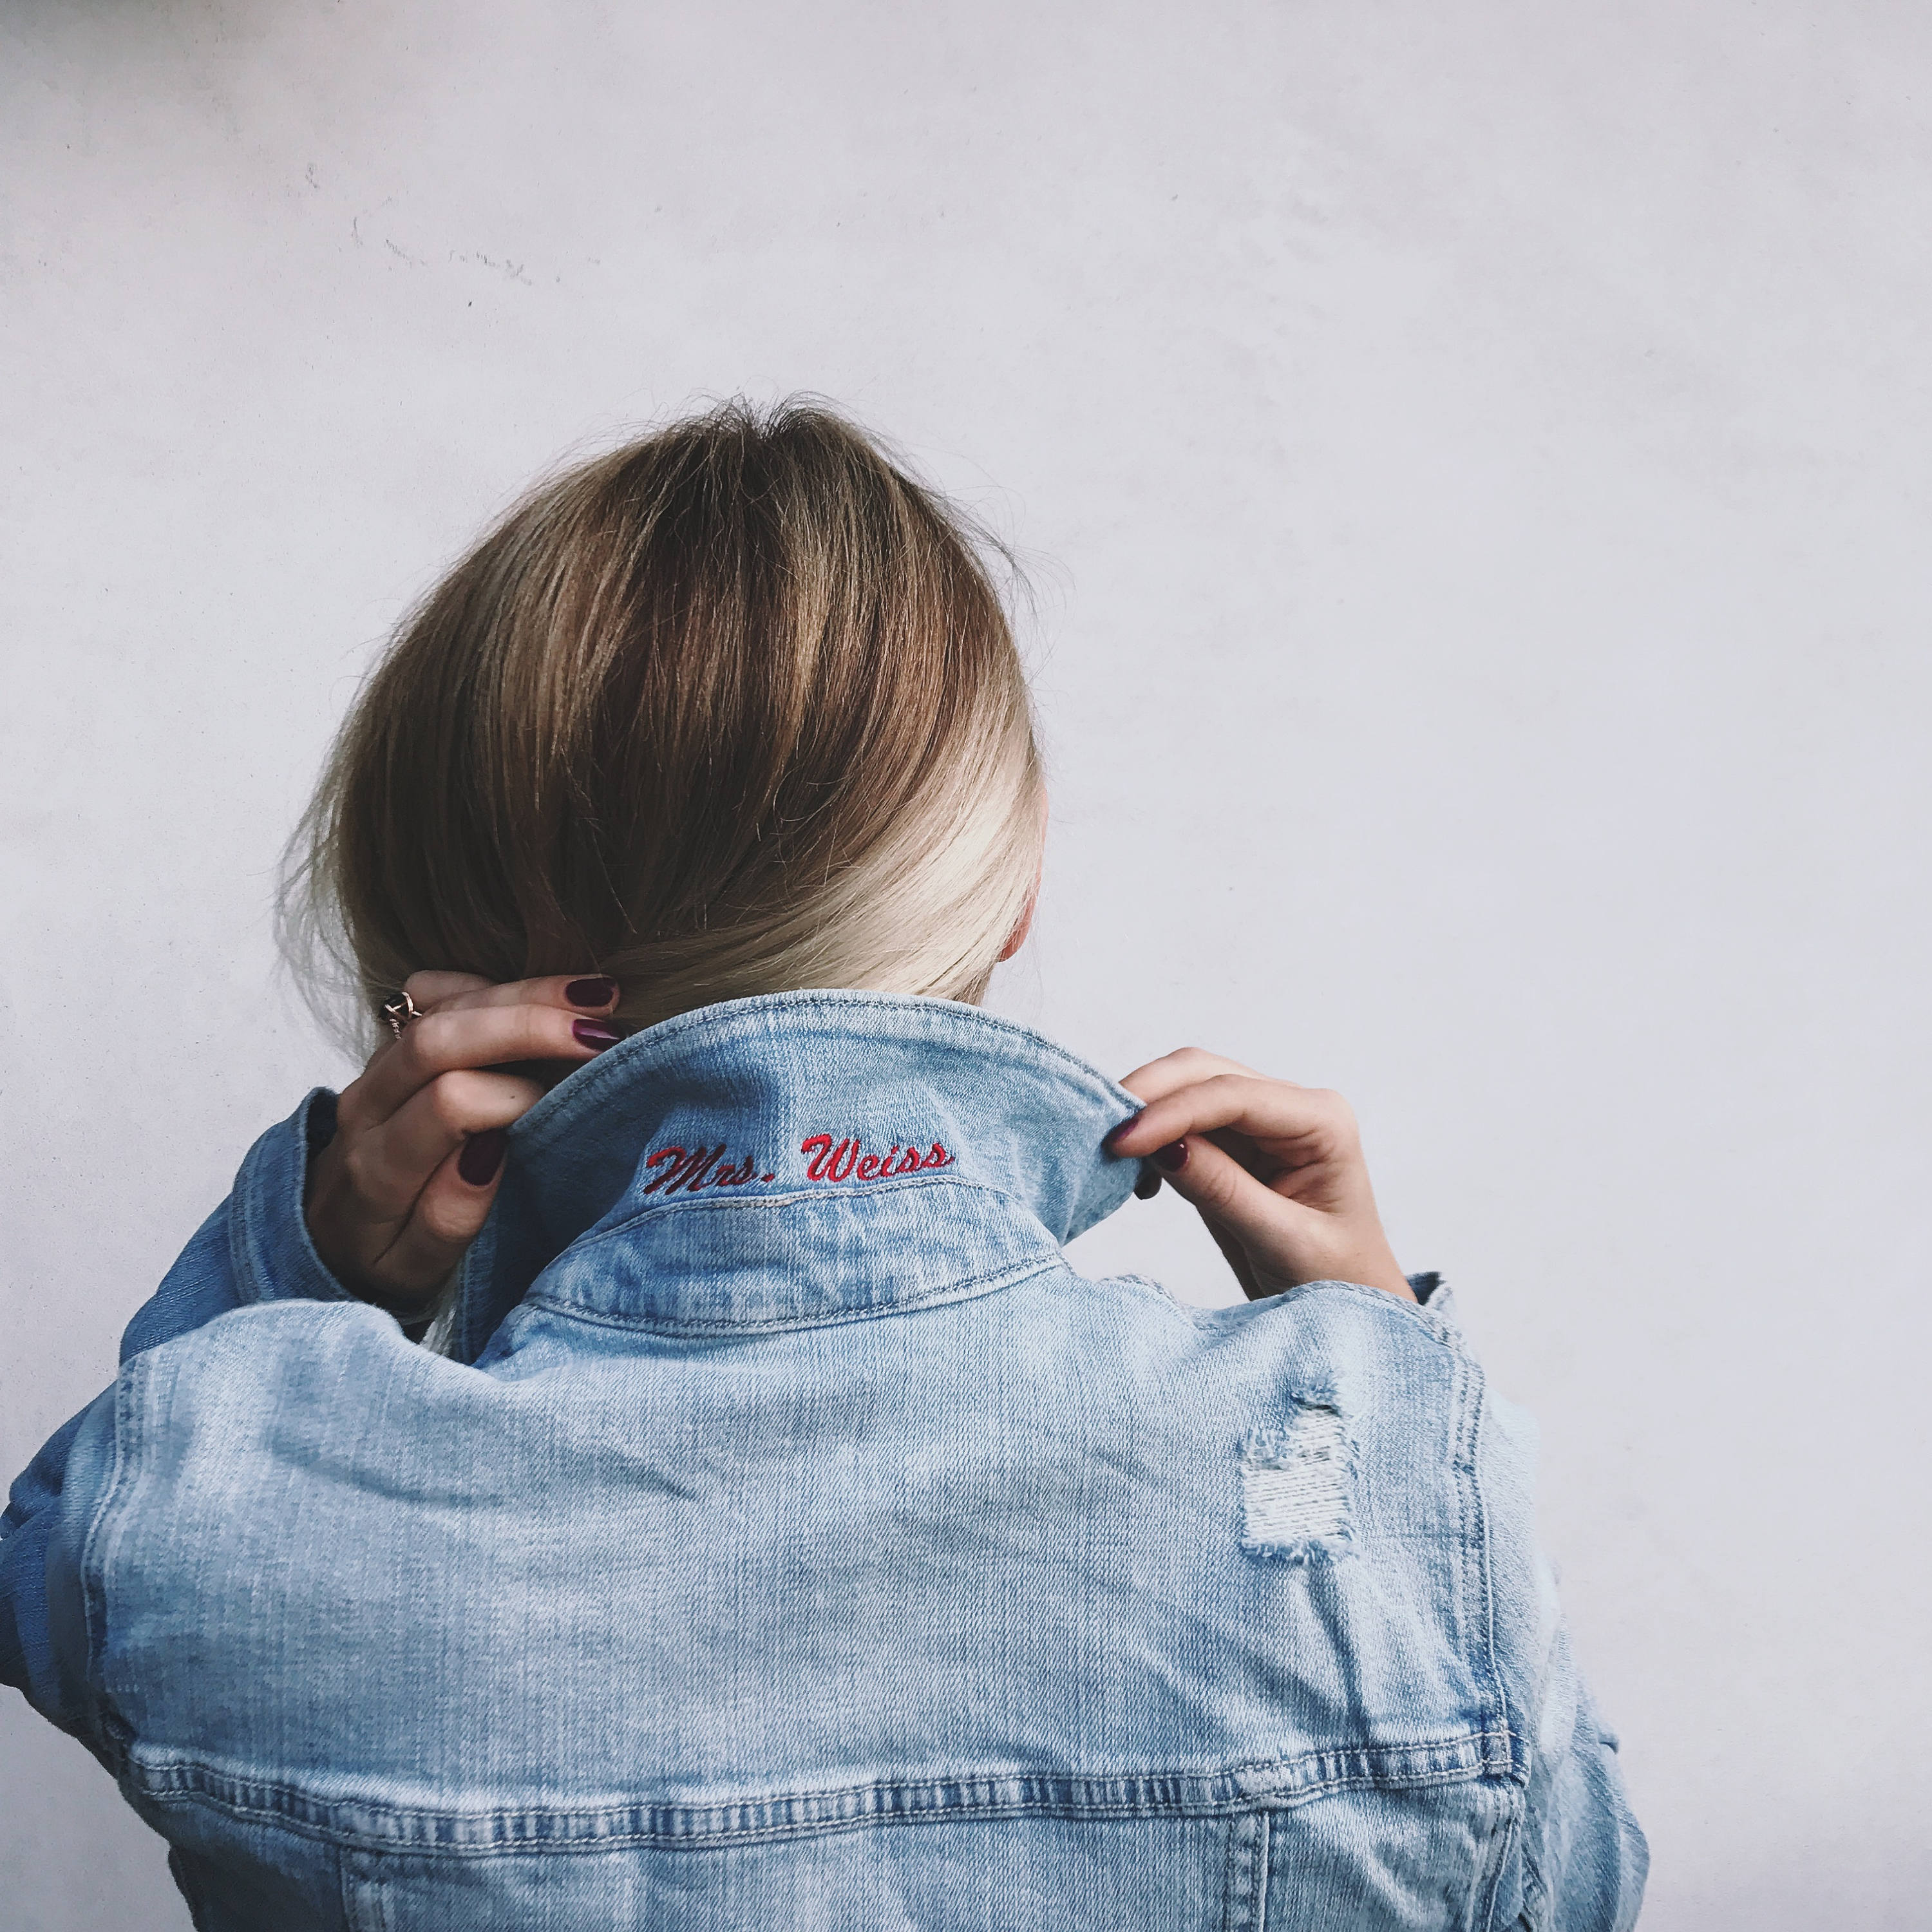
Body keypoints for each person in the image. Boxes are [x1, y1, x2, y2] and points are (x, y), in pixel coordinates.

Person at [0, 401, 1646, 1930]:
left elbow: (61, 1582)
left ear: (438, 949)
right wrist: (1371, 1352)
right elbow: (1560, 1886)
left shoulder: (227, 1485)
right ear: (1009, 885)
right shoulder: (1373, 1483)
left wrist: (302, 1268)